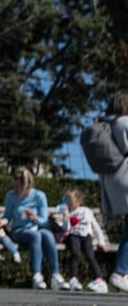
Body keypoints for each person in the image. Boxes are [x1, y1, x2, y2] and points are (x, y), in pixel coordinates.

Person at [4, 166, 61, 291]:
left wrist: (34, 217)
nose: (16, 189)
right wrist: (1, 222)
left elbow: (44, 221)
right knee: (36, 236)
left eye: (20, 186)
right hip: (19, 231)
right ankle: (36, 275)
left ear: (27, 184)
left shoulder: (39, 196)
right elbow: (7, 216)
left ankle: (56, 276)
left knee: (47, 234)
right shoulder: (11, 195)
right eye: (15, 185)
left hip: (37, 227)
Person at [56, 188, 108, 293]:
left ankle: (99, 280)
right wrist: (66, 216)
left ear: (79, 200)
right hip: (73, 235)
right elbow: (66, 229)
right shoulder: (67, 212)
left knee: (90, 255)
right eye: (66, 199)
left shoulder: (86, 211)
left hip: (86, 236)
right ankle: (73, 279)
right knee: (75, 253)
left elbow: (96, 227)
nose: (68, 202)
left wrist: (101, 242)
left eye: (70, 199)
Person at [102, 90, 128, 292]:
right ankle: (120, 272)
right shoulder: (124, 123)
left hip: (111, 180)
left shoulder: (106, 124)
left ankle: (122, 272)